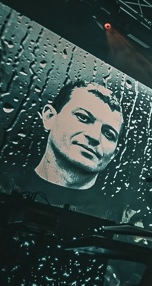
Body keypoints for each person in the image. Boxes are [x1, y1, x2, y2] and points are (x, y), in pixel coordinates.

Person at [14, 79, 125, 221]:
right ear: (49, 117)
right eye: (83, 117)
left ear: (114, 154)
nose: (94, 136)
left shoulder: (118, 218)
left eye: (109, 134)